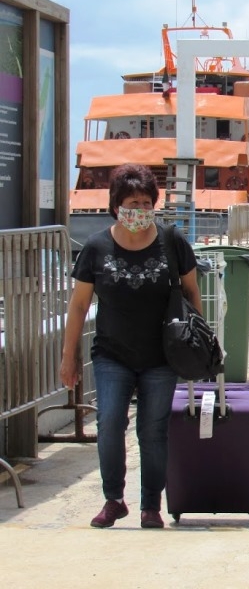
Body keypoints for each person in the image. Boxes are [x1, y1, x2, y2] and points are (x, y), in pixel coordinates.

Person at [60, 163, 201, 529]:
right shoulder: (96, 247)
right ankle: (114, 499)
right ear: (116, 205)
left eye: (144, 202)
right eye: (130, 202)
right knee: (108, 424)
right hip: (111, 355)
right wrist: (68, 357)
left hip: (161, 356)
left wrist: (196, 346)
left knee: (152, 431)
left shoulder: (172, 242)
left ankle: (150, 505)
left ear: (154, 203)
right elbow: (78, 306)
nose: (137, 210)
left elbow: (192, 294)